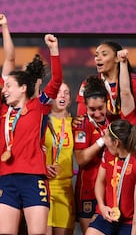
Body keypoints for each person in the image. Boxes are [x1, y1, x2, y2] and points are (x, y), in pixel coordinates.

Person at [0, 34, 62, 235]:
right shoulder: (1, 111)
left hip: (34, 179)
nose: (4, 90)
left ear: (23, 88)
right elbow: (8, 59)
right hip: (6, 179)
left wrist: (54, 50)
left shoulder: (39, 106)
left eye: (8, 86)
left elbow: (57, 80)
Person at [86, 119, 136, 235]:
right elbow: (100, 182)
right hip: (107, 215)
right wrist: (102, 207)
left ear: (116, 142)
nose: (104, 139)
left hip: (128, 221)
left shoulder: (134, 163)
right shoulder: (107, 154)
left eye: (106, 137)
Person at [73, 76, 109, 233]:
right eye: (92, 110)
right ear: (85, 107)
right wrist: (103, 140)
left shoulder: (113, 122)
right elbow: (80, 159)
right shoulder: (81, 125)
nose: (97, 113)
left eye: (100, 108)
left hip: (110, 189)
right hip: (88, 189)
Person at [76, 41, 136, 120]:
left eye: (104, 54)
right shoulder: (89, 84)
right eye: (96, 55)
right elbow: (81, 117)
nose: (98, 58)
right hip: (101, 131)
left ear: (117, 58)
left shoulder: (133, 82)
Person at [44, 82, 75, 235]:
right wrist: (42, 166)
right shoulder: (41, 123)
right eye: (58, 92)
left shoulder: (75, 124)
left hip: (65, 189)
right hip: (45, 187)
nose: (62, 95)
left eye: (66, 93)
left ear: (70, 100)